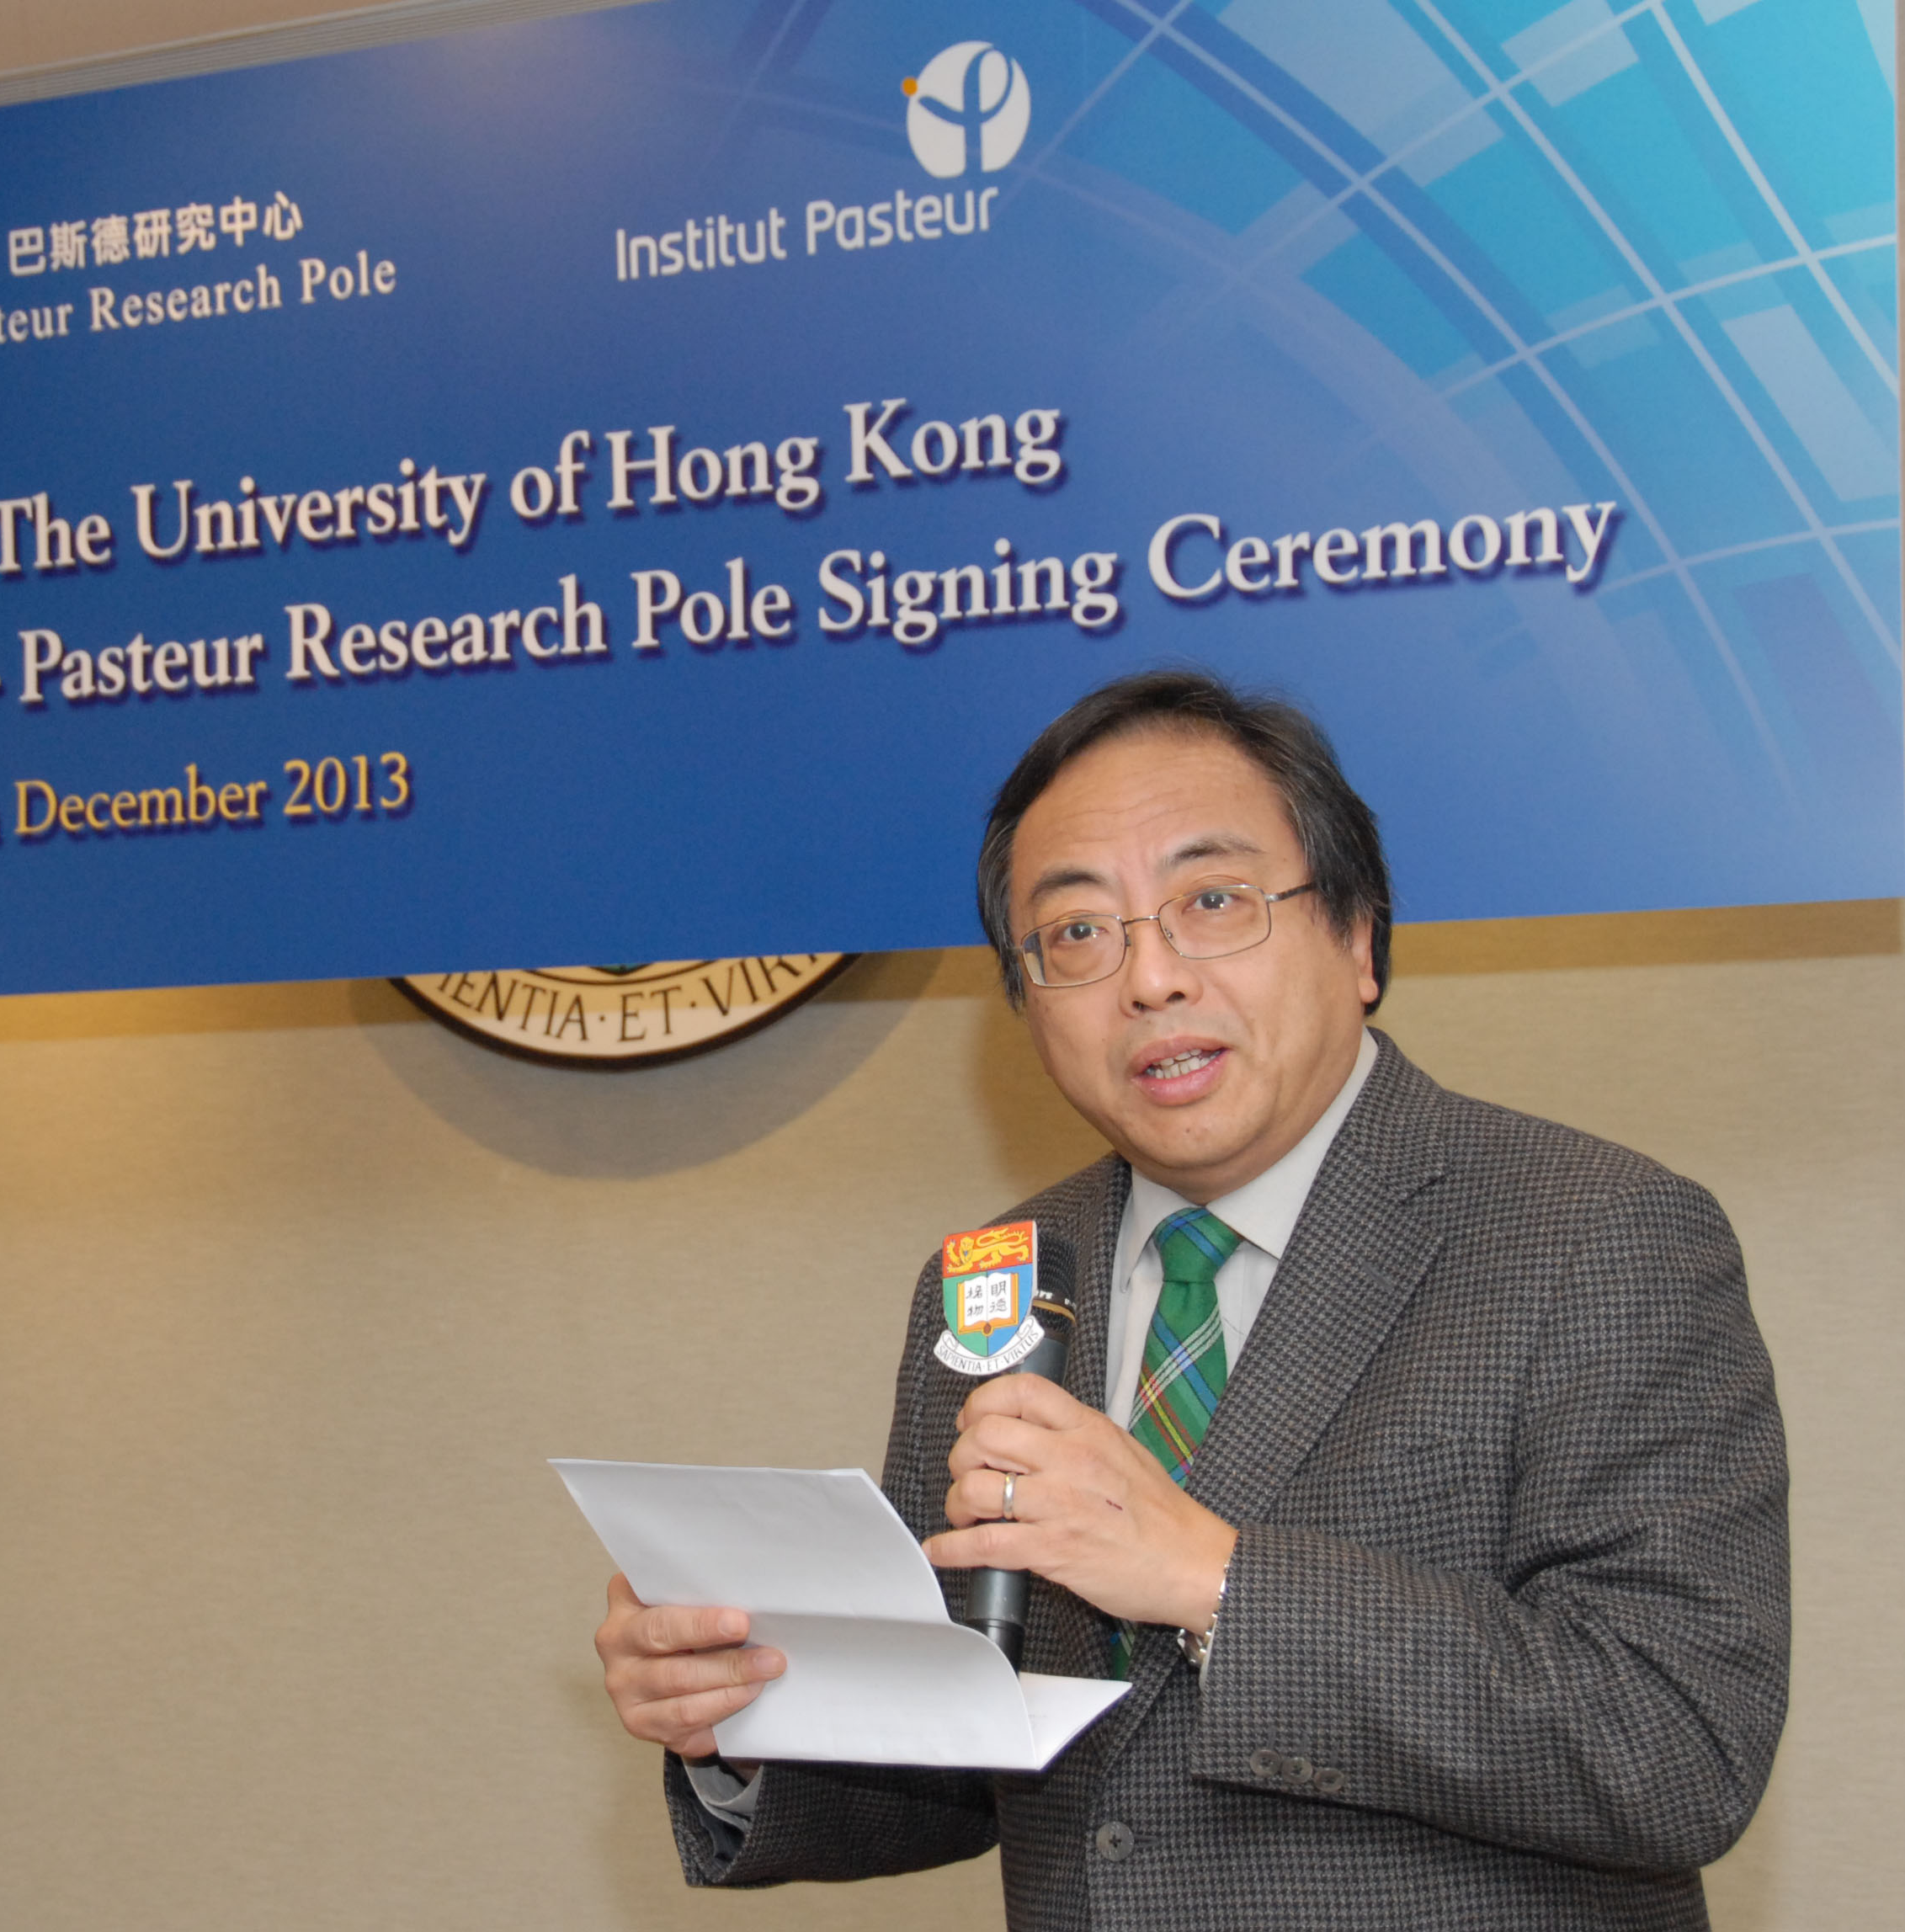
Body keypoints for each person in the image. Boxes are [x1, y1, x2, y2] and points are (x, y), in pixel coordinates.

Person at [593, 669, 1788, 1928]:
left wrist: (1212, 1579)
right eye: (1076, 933)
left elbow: (1675, 1741)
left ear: (1358, 936)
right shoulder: (997, 1275)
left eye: (1211, 902)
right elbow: (963, 1749)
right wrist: (738, 1719)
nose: (1149, 979)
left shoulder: (1596, 1235)